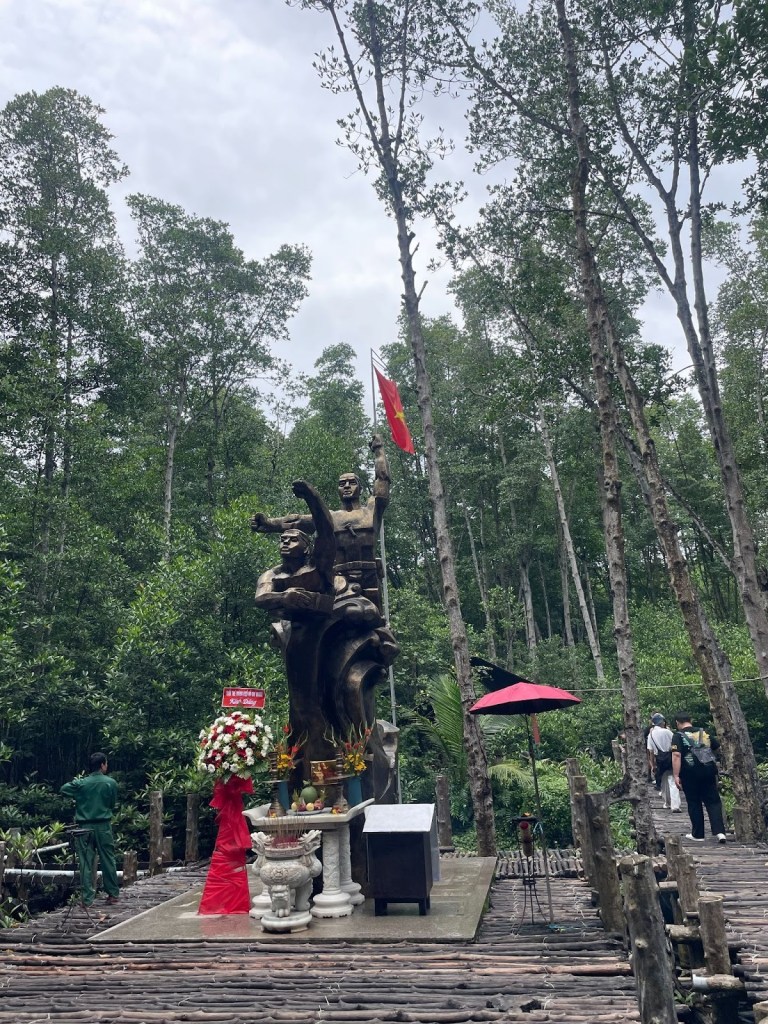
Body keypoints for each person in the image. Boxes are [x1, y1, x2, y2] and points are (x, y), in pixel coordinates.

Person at [252, 434, 391, 611]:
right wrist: (269, 524)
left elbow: (382, 480)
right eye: (342, 484)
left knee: (370, 616)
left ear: (360, 488)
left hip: (369, 576)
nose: (346, 486)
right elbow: (298, 520)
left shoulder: (371, 511)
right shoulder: (330, 517)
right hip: (338, 580)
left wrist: (379, 450)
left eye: (352, 483)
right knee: (343, 616)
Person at [60, 751, 120, 906]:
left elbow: (64, 789)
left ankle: (87, 898)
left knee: (85, 862)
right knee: (108, 859)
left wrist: (79, 795)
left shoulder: (82, 783)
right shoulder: (110, 783)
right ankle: (112, 894)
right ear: (102, 765)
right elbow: (111, 804)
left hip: (84, 827)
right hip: (103, 825)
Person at [670, 712, 726, 844]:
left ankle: (698, 834)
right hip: (708, 771)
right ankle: (720, 832)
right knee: (713, 801)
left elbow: (676, 755)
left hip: (689, 773)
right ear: (691, 720)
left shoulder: (677, 736)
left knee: (694, 802)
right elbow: (717, 748)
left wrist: (676, 775)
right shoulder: (704, 732)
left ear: (677, 723)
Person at [646, 713, 680, 812]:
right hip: (670, 757)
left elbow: (651, 751)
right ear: (662, 722)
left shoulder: (651, 735)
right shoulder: (667, 732)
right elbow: (675, 744)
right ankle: (675, 805)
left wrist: (653, 765)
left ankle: (667, 803)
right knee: (672, 780)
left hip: (659, 760)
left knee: (664, 782)